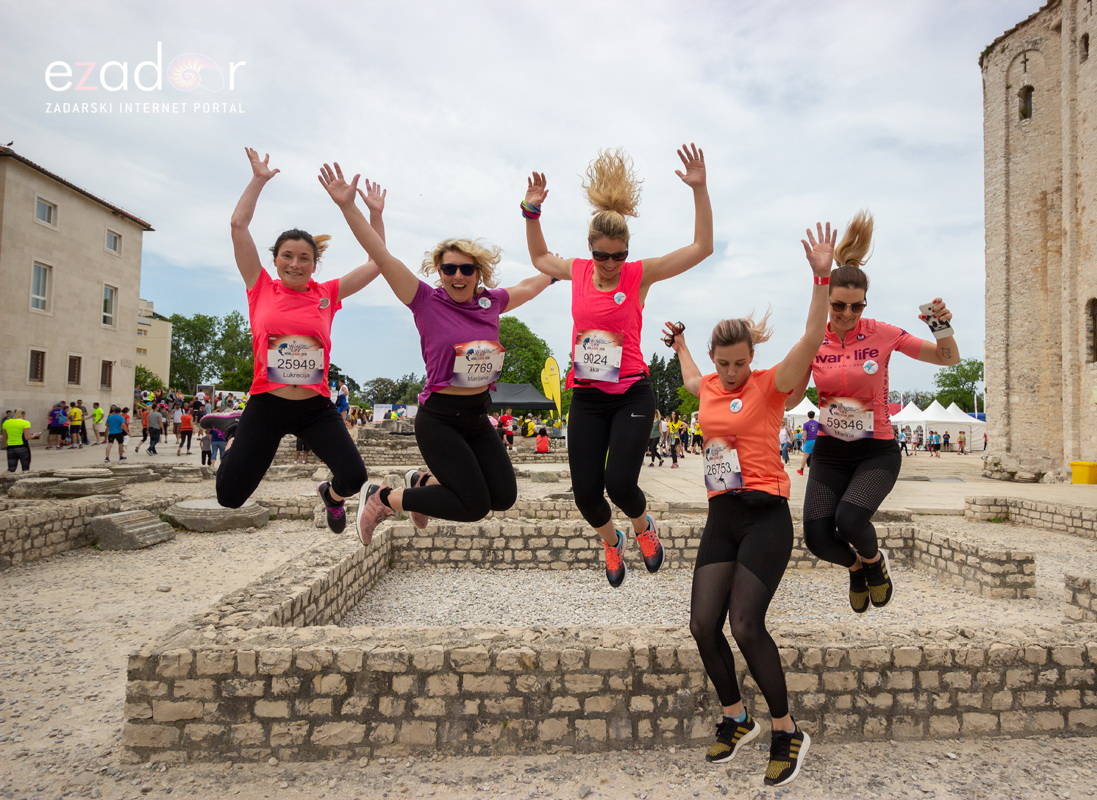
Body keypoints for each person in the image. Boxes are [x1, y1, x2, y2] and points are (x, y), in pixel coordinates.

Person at [667, 221, 833, 788]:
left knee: (745, 622)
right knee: (701, 624)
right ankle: (736, 717)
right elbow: (691, 378)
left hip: (765, 516)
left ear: (751, 356)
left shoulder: (769, 384)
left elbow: (811, 339)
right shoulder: (710, 384)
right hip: (722, 516)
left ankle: (787, 729)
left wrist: (820, 276)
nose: (731, 373)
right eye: (724, 363)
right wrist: (682, 346)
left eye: (739, 362)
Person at [318, 161, 554, 546]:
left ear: (478, 273)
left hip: (477, 416)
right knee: (474, 505)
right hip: (440, 419)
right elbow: (380, 254)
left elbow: (531, 284)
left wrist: (567, 267)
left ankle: (422, 482)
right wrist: (350, 207)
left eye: (466, 269)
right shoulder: (424, 300)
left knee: (504, 497)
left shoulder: (491, 302)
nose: (457, 276)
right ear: (439, 271)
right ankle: (383, 497)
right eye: (449, 269)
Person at [523, 144, 712, 586]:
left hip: (631, 392)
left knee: (621, 486)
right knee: (587, 496)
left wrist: (699, 190)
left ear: (628, 251)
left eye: (618, 255)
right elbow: (538, 259)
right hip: (588, 395)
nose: (609, 265)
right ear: (590, 250)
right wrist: (531, 212)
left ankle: (645, 529)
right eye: (602, 256)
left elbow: (702, 247)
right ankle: (613, 542)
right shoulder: (576, 271)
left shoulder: (638, 274)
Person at [802, 210, 960, 614]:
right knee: (819, 538)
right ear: (828, 299)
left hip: (876, 451)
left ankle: (875, 563)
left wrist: (941, 326)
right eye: (839, 305)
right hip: (830, 452)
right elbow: (786, 393)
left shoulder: (883, 334)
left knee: (850, 520)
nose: (848, 314)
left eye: (857, 306)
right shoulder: (812, 337)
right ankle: (856, 567)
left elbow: (947, 360)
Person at [217, 147, 379, 536]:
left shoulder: (327, 294)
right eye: (287, 256)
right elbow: (238, 226)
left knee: (354, 477)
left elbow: (377, 262)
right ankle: (235, 429)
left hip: (314, 408)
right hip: (267, 404)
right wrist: (258, 180)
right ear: (275, 259)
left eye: (304, 258)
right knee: (229, 497)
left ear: (314, 263)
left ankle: (332, 497)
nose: (295, 263)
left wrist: (371, 213)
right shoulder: (260, 287)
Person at [795, 411, 818, 475]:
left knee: (805, 456)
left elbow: (805, 434)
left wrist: (804, 441)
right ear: (814, 415)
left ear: (808, 416)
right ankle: (815, 471)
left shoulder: (806, 424)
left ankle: (801, 470)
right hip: (816, 440)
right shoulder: (817, 423)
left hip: (808, 441)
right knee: (815, 456)